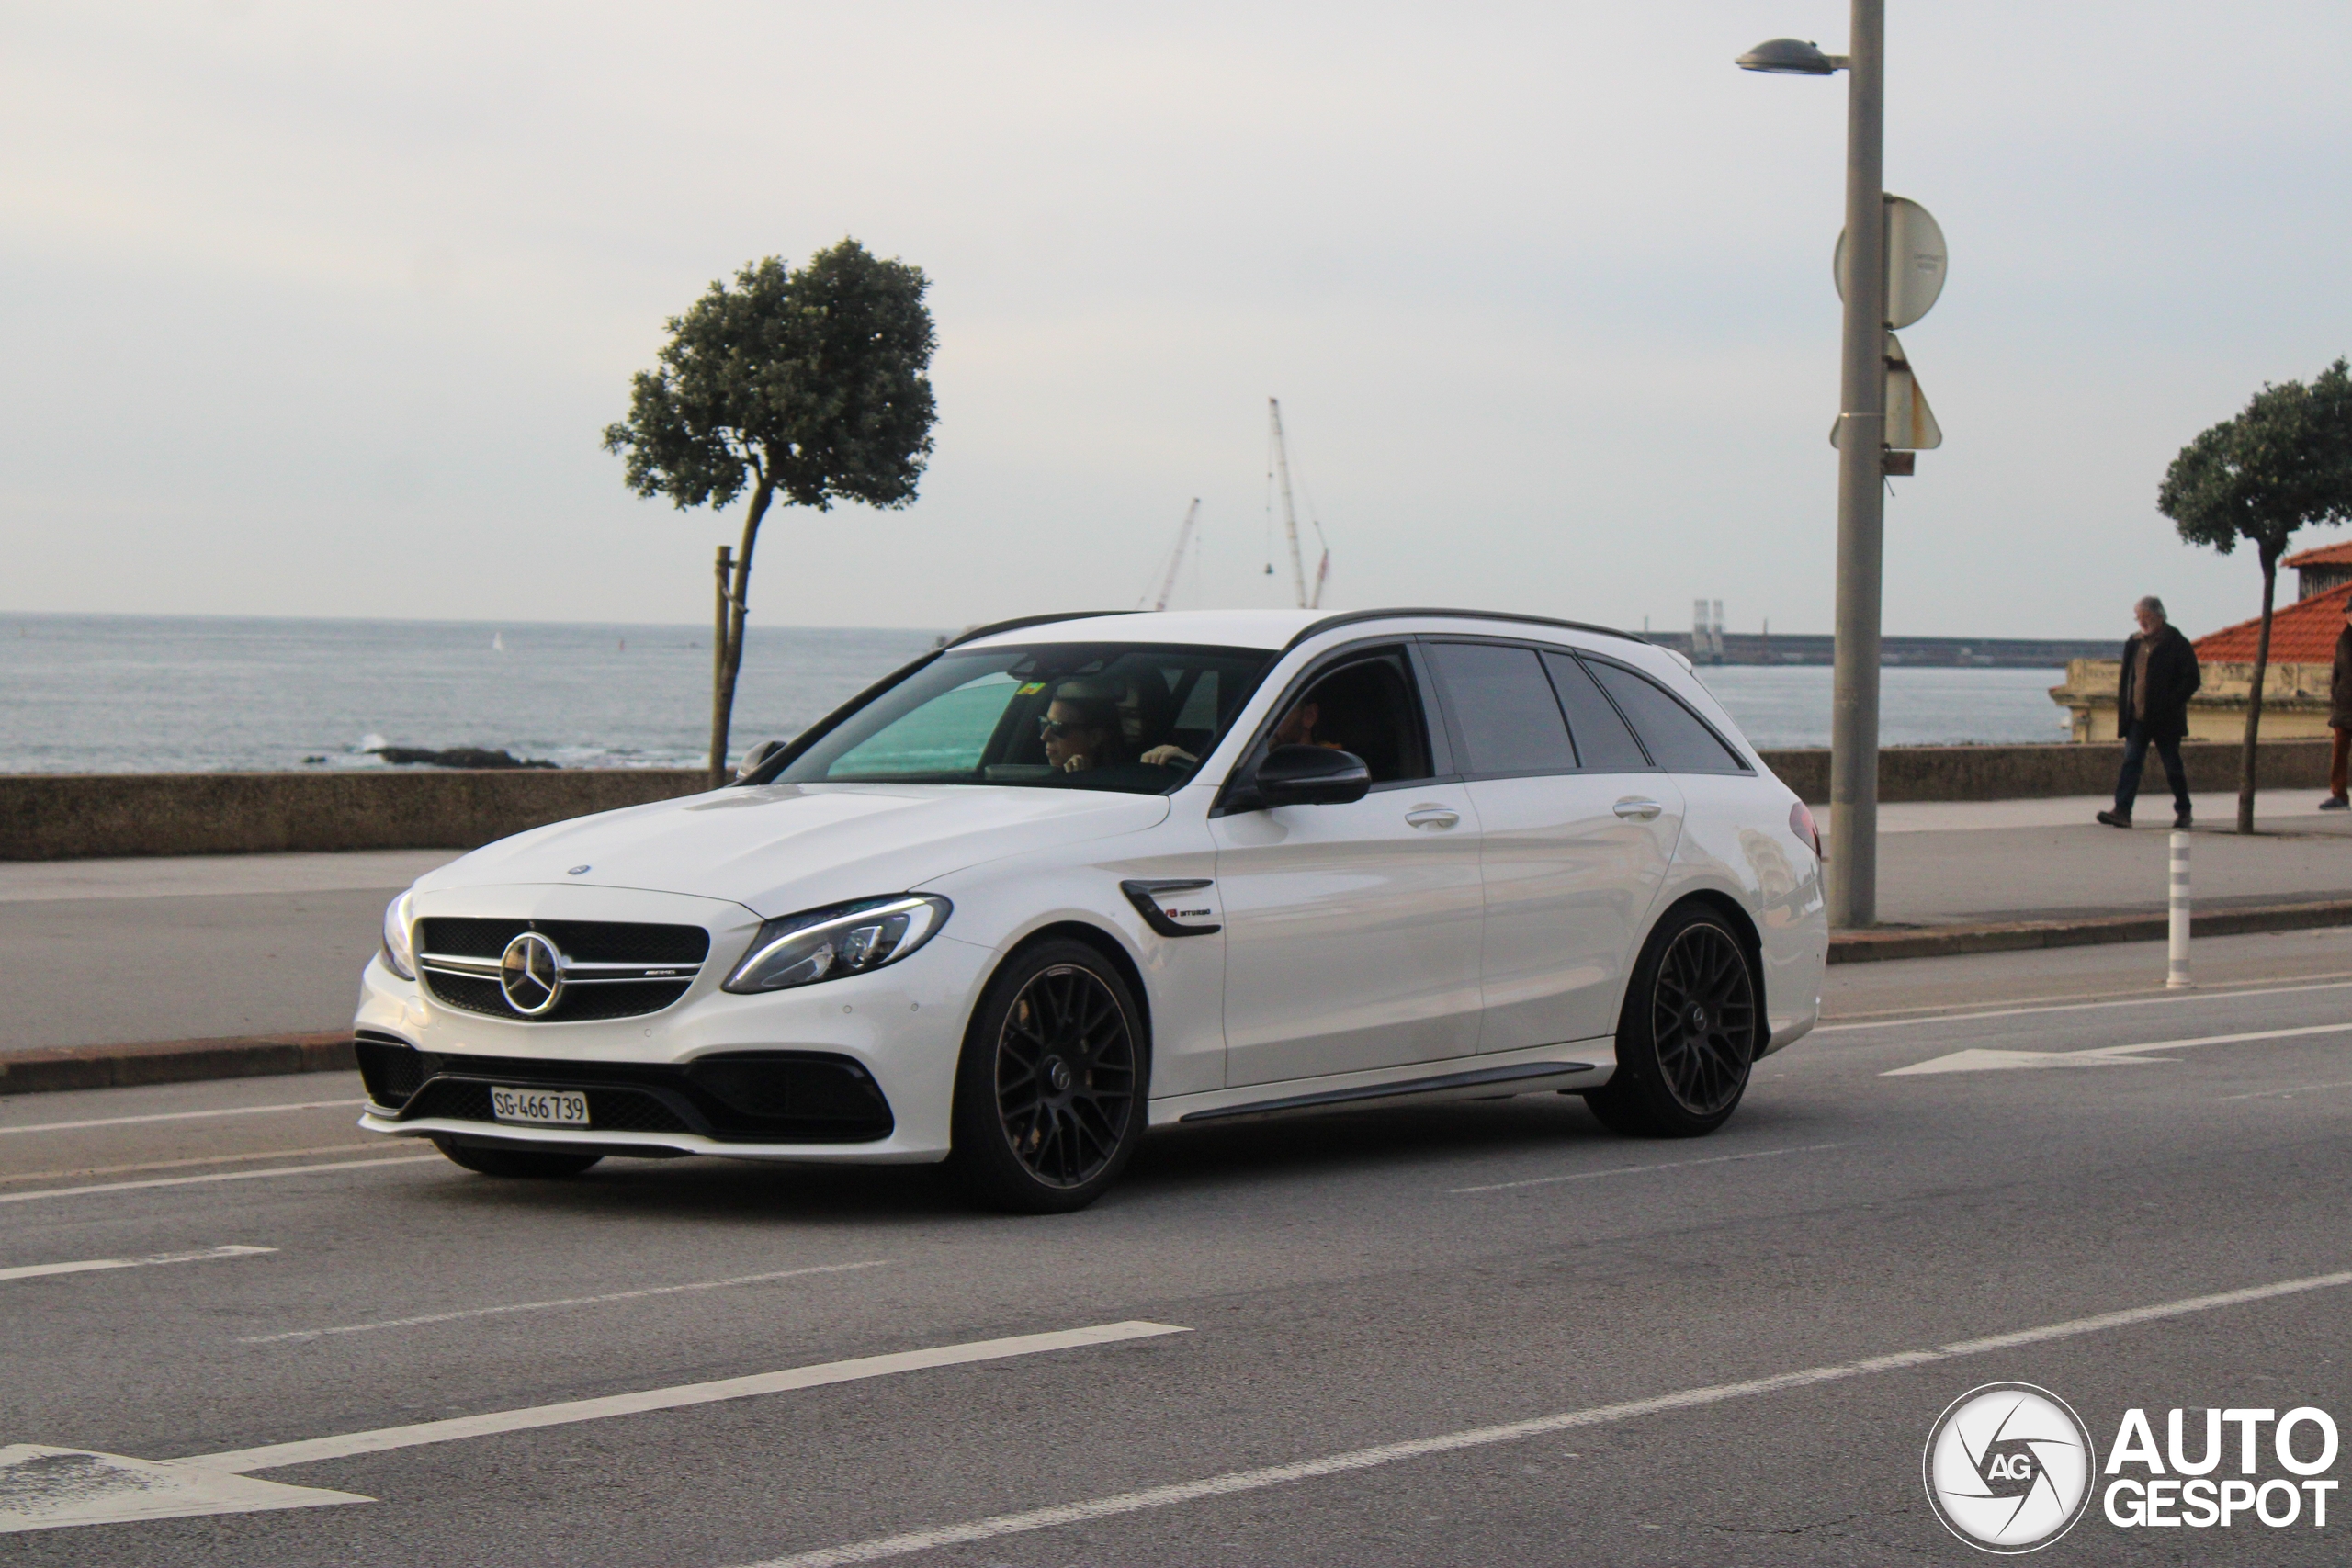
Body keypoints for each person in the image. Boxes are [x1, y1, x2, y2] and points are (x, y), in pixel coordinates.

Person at [2098, 595, 2200, 829]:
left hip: (2166, 718)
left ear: (2160, 615)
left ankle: (2184, 810)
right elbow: (2127, 679)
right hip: (2138, 716)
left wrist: (2171, 702)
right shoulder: (2133, 643)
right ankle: (2122, 811)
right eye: (2139, 618)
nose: (2143, 622)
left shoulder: (2176, 642)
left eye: (2147, 617)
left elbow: (2192, 679)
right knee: (2131, 762)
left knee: (2172, 765)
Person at [1039, 683, 1130, 774]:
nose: (1044, 737)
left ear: (1094, 737)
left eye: (1057, 726)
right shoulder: (1035, 774)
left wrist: (1081, 779)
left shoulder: (1123, 780)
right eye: (1045, 723)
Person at [2324, 598, 2352, 809]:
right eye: (2349, 612)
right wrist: (2335, 696)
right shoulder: (2344, 638)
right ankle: (2339, 794)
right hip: (2343, 706)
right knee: (2339, 752)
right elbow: (2337, 671)